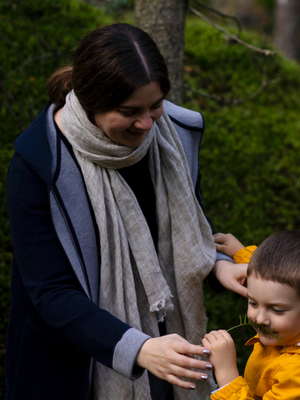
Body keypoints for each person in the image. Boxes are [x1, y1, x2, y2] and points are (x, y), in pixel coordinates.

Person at [5, 23, 247, 400]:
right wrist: (140, 349)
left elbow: (186, 234)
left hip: (169, 353)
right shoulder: (38, 165)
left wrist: (220, 266)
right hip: (74, 369)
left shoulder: (176, 134)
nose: (147, 124)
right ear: (89, 101)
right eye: (129, 111)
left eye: (155, 105)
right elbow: (51, 291)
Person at [203, 231, 300, 399]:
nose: (260, 319)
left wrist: (227, 375)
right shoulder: (282, 294)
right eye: (253, 303)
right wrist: (241, 253)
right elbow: (271, 273)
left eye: (276, 310)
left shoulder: (294, 373)